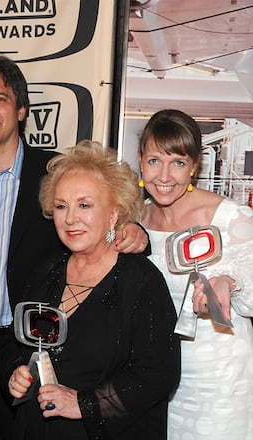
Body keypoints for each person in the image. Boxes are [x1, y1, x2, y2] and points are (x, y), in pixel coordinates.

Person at [0, 55, 150, 439]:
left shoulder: (57, 175)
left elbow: (101, 219)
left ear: (21, 109)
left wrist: (135, 231)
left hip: (33, 350)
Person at [6, 140, 180, 439]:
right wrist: (16, 373)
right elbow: (16, 344)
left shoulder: (140, 280)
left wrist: (83, 404)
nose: (70, 218)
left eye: (84, 205)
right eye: (61, 206)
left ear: (114, 214)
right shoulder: (45, 272)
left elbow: (158, 374)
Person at [137, 109, 253, 439]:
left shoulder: (229, 216)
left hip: (221, 380)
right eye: (155, 160)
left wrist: (230, 282)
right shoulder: (136, 219)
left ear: (194, 166)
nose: (164, 175)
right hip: (159, 375)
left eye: (178, 162)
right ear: (141, 160)